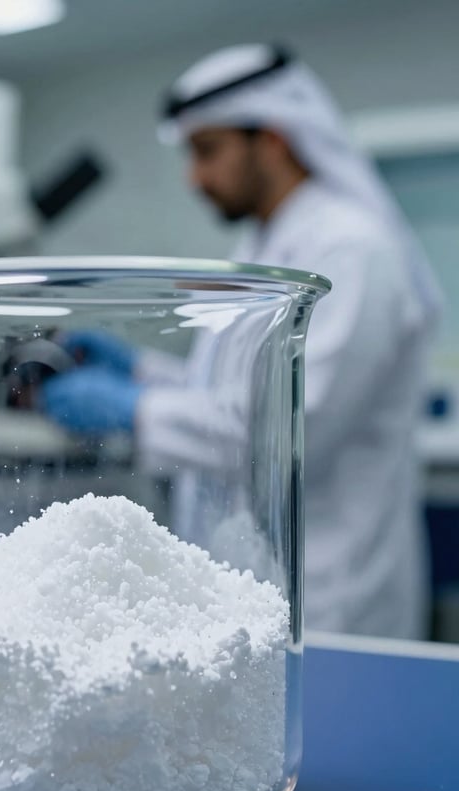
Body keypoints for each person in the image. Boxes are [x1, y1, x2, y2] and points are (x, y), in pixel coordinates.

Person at [41, 44, 443, 639]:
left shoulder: (352, 249)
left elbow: (289, 427)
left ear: (274, 139)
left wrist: (133, 410)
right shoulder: (266, 246)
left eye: (207, 151)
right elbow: (234, 391)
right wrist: (142, 372)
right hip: (250, 581)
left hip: (332, 596)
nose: (194, 177)